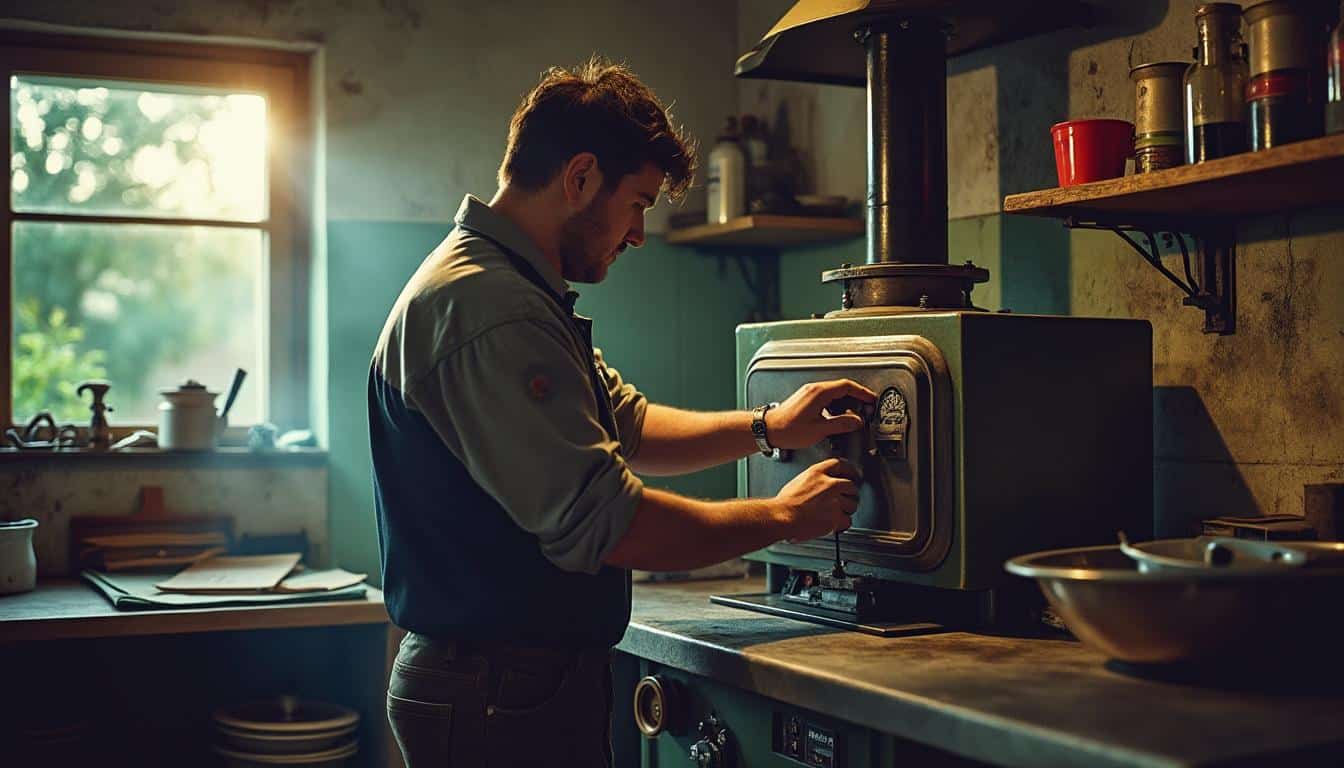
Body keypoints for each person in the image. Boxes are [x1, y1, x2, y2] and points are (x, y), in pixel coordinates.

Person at [368, 58, 874, 767]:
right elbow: (614, 525)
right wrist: (785, 518)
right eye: (637, 202)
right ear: (579, 179)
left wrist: (770, 427)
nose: (639, 233)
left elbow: (627, 426)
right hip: (495, 693)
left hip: (508, 682)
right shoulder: (492, 310)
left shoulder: (512, 290)